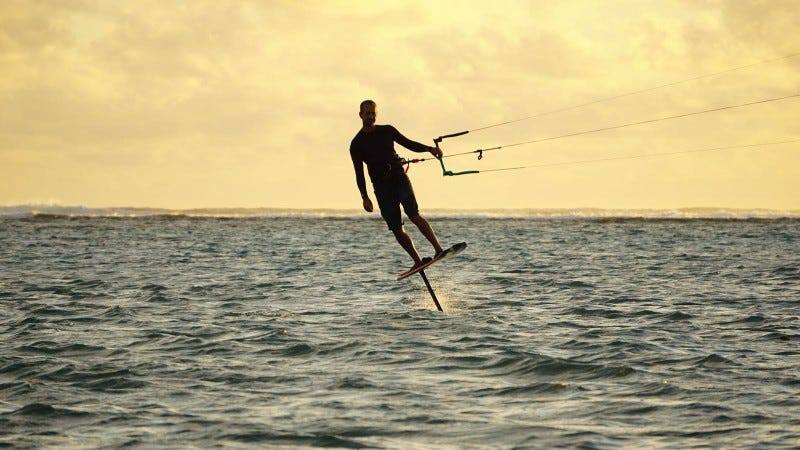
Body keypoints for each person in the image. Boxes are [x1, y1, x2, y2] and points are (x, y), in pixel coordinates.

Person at [349, 99, 444, 271]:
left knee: (413, 214)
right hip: (381, 187)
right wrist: (364, 196)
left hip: (399, 177)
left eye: (373, 113)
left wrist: (430, 149)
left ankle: (438, 249)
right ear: (360, 115)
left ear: (376, 114)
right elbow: (359, 173)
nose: (370, 116)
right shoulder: (356, 144)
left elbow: (409, 144)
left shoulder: (387, 131)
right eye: (367, 113)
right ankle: (417, 261)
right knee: (396, 228)